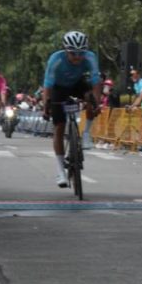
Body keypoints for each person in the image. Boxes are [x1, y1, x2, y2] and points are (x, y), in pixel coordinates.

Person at [41, 31, 102, 187]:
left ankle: (86, 133)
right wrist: (46, 106)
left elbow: (96, 81)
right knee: (59, 127)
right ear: (65, 50)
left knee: (91, 97)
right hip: (58, 88)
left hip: (77, 84)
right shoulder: (55, 59)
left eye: (81, 53)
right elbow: (47, 85)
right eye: (73, 53)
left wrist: (96, 104)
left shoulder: (90, 57)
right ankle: (60, 171)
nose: (77, 57)